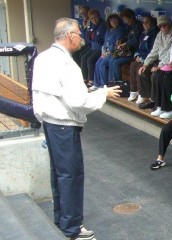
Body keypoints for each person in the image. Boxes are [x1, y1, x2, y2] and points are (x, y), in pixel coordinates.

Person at [32, 18, 121, 240]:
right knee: (71, 175)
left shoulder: (42, 57)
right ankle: (72, 229)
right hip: (63, 126)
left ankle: (61, 220)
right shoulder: (67, 64)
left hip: (50, 123)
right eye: (79, 33)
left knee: (59, 174)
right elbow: (79, 101)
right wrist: (104, 93)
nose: (81, 37)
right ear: (70, 35)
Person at [137, 15, 172, 111]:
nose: (163, 28)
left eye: (164, 25)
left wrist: (160, 66)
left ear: (169, 24)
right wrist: (146, 64)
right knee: (142, 71)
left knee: (155, 75)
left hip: (169, 62)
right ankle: (149, 99)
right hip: (159, 60)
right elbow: (154, 51)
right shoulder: (159, 34)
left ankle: (155, 101)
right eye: (160, 26)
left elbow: (170, 54)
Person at [128, 15, 159, 103]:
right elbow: (139, 47)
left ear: (152, 23)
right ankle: (134, 91)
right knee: (133, 65)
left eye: (147, 22)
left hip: (150, 59)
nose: (144, 24)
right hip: (141, 57)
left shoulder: (155, 33)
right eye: (143, 22)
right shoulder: (144, 33)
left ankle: (142, 94)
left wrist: (142, 58)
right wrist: (137, 55)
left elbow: (152, 50)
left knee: (140, 69)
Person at [91, 13, 125, 90]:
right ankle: (96, 84)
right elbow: (105, 43)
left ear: (118, 21)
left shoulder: (120, 30)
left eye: (115, 21)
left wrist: (107, 52)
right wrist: (103, 52)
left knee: (102, 64)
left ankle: (104, 85)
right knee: (97, 63)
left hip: (114, 52)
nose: (113, 23)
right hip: (106, 52)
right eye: (111, 21)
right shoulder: (108, 30)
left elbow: (117, 44)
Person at [108, 8, 143, 82]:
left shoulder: (138, 26)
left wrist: (125, 44)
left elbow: (136, 41)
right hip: (127, 51)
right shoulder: (129, 26)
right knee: (112, 59)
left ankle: (118, 84)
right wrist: (122, 40)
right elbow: (127, 37)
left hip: (134, 52)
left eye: (126, 19)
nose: (125, 21)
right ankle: (112, 81)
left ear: (131, 17)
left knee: (116, 62)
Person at [80, 9, 106, 87]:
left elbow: (98, 39)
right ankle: (85, 79)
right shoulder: (92, 24)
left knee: (90, 60)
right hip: (93, 46)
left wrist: (91, 39)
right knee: (83, 57)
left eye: (95, 17)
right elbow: (86, 35)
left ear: (99, 16)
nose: (94, 20)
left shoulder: (103, 25)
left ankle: (91, 81)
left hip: (100, 48)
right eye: (92, 18)